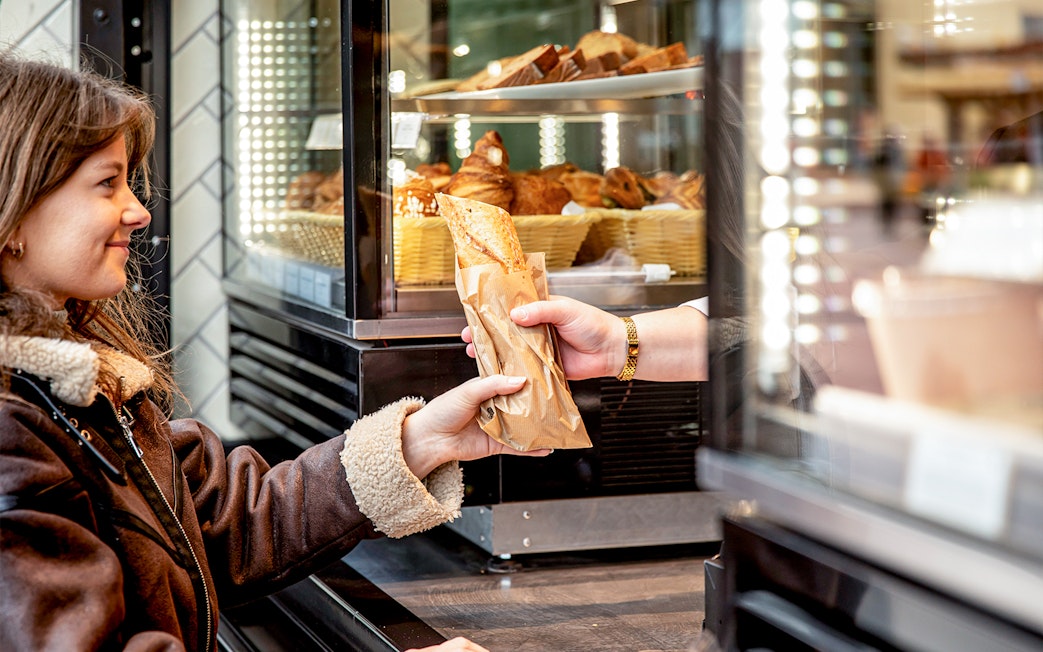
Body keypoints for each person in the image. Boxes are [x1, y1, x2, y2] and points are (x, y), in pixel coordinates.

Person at [0, 52, 548, 652]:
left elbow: (223, 527)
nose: (138, 211)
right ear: (13, 213)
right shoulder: (11, 430)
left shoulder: (76, 383)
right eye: (107, 184)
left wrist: (419, 442)